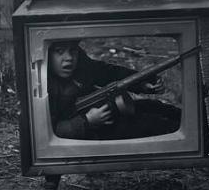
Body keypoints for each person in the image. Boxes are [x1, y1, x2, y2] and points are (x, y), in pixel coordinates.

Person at [47, 40, 181, 140]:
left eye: (73, 51)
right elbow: (48, 131)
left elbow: (107, 72)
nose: (69, 57)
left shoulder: (81, 64)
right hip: (92, 132)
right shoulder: (42, 86)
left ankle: (198, 124)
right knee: (150, 124)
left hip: (106, 114)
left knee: (154, 107)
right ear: (46, 54)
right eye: (59, 51)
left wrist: (143, 83)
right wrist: (87, 121)